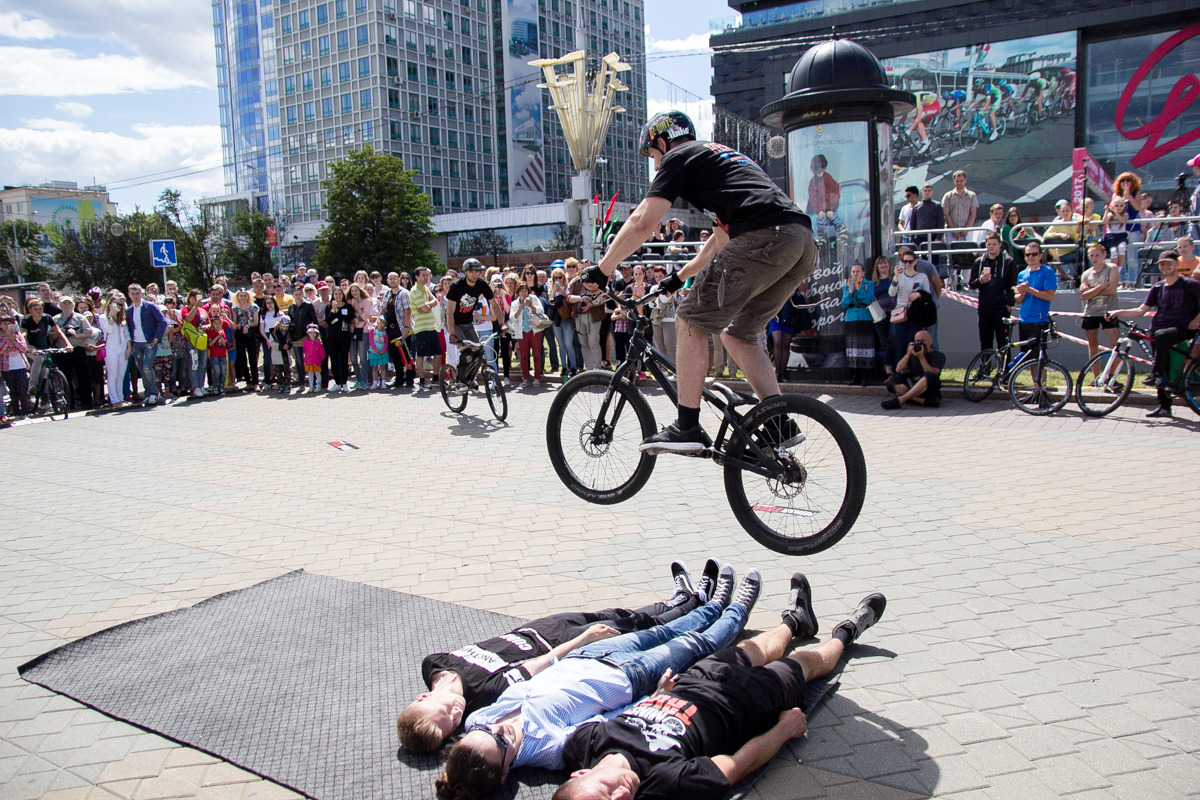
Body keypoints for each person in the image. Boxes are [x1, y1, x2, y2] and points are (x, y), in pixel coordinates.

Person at [583, 110, 814, 456]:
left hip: (766, 237)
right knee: (738, 334)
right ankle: (779, 422)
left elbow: (643, 221)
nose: (655, 165)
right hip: (801, 242)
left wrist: (602, 270)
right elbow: (719, 240)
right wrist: (678, 278)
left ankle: (687, 426)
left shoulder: (679, 156)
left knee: (690, 319)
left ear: (662, 142)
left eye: (652, 155)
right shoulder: (720, 159)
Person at [434, 568, 760, 800]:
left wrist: (579, 642)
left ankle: (711, 605)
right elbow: (608, 724)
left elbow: (525, 674)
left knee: (661, 632)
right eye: (501, 744)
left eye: (486, 732)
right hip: (627, 678)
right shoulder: (549, 749)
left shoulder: (477, 720)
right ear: (506, 773)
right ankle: (735, 611)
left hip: (588, 656)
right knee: (692, 645)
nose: (497, 729)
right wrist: (655, 697)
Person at [554, 581, 887, 800]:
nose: (621, 796)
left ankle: (794, 622)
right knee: (803, 665)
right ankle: (847, 631)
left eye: (605, 792)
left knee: (754, 648)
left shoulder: (583, 745)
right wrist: (784, 730)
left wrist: (656, 696)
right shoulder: (665, 783)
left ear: (581, 773)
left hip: (694, 681)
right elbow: (739, 764)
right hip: (743, 706)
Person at [398, 561, 719, 753]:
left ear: (423, 696)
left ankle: (676, 600)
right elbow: (536, 666)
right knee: (628, 630)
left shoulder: (434, 663)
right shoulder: (482, 695)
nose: (457, 715)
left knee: (614, 614)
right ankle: (698, 605)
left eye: (446, 713)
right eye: (454, 724)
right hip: (559, 645)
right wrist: (583, 639)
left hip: (533, 630)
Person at [1107, 250, 1200, 418]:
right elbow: (1141, 310)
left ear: (1177, 264)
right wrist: (1117, 311)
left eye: (1169, 263)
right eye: (1162, 264)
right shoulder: (1158, 287)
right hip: (1159, 330)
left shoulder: (1189, 284)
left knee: (1161, 341)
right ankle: (1164, 406)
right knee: (1160, 360)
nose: (1165, 267)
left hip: (1182, 328)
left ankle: (1155, 374)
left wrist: (1197, 319)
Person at [1013, 241, 1058, 381]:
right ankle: (1036, 387)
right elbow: (1018, 299)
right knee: (1028, 358)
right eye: (1028, 254)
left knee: (1039, 359)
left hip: (1039, 322)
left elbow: (1049, 296)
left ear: (1040, 255)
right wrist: (1022, 293)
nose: (1030, 257)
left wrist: (1028, 290)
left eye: (1034, 254)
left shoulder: (1048, 272)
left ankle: (1042, 389)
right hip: (1024, 320)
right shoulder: (1022, 273)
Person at [967, 232, 1019, 352]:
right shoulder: (979, 262)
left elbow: (1012, 284)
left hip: (1001, 306)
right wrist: (980, 281)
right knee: (985, 342)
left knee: (1003, 342)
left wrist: (1009, 304)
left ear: (1000, 244)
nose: (991, 247)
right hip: (984, 306)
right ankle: (985, 368)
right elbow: (971, 284)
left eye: (994, 244)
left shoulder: (1008, 262)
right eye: (989, 244)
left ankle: (1005, 370)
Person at [1078, 242, 1121, 382]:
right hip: (1091, 312)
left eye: (1097, 255)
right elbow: (1083, 296)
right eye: (1092, 255)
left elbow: (1112, 290)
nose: (1094, 258)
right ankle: (1096, 377)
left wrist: (1091, 291)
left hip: (1109, 311)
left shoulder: (1111, 268)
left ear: (1104, 255)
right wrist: (1101, 286)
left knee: (1115, 345)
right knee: (1092, 345)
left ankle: (1110, 377)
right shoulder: (1086, 274)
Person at [880, 330, 944, 410]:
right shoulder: (913, 353)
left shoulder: (938, 355)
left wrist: (922, 357)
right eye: (917, 341)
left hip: (928, 387)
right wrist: (908, 354)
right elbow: (898, 369)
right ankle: (922, 401)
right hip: (912, 384)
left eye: (923, 341)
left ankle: (901, 400)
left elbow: (934, 372)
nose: (920, 343)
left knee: (929, 375)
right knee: (892, 382)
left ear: (930, 341)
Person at [446, 259, 501, 347]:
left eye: (477, 271)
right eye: (471, 271)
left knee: (477, 350)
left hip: (468, 323)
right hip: (455, 323)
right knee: (466, 351)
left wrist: (502, 324)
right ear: (465, 272)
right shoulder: (456, 286)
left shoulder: (481, 284)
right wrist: (452, 333)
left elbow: (494, 304)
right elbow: (449, 312)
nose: (474, 274)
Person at [887, 251, 933, 354]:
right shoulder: (900, 276)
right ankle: (900, 367)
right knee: (901, 343)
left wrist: (919, 294)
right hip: (901, 312)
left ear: (915, 262)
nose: (907, 264)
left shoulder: (922, 277)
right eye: (904, 261)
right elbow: (891, 293)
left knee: (915, 341)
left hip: (916, 313)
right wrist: (896, 277)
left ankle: (915, 366)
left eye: (910, 262)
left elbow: (928, 296)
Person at [840, 263, 875, 385]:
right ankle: (854, 376)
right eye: (853, 272)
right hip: (851, 319)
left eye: (858, 271)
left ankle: (865, 377)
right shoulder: (847, 286)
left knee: (865, 347)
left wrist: (859, 289)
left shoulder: (868, 284)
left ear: (863, 273)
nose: (855, 274)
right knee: (853, 349)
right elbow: (844, 304)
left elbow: (868, 300)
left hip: (864, 318)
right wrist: (850, 292)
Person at [96, 294, 132, 406]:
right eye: (115, 303)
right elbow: (108, 330)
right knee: (113, 375)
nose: (118, 306)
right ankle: (114, 399)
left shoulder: (122, 318)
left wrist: (129, 348)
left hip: (122, 349)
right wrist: (110, 317)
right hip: (111, 349)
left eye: (120, 304)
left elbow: (126, 335)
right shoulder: (103, 317)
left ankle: (120, 398)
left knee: (121, 375)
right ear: (110, 303)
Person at [942, 170, 978, 278]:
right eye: (957, 181)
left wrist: (967, 228)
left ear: (965, 180)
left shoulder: (972, 195)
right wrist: (953, 229)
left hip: (967, 230)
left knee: (968, 255)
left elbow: (973, 213)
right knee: (951, 256)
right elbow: (946, 213)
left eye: (961, 180)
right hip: (951, 231)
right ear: (954, 181)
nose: (959, 183)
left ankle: (965, 281)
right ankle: (953, 281)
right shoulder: (948, 196)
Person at [409, 267, 441, 386]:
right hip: (421, 328)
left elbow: (434, 301)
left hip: (431, 327)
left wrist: (426, 305)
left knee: (438, 353)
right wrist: (426, 306)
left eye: (427, 275)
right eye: (423, 275)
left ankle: (435, 378)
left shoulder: (426, 289)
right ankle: (422, 379)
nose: (426, 277)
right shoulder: (414, 291)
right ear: (417, 277)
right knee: (421, 355)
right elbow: (425, 308)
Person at [509, 283, 545, 386]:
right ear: (518, 292)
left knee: (537, 354)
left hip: (534, 330)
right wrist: (519, 310)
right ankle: (525, 378)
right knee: (523, 355)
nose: (524, 293)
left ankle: (537, 377)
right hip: (522, 331)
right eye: (521, 291)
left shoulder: (533, 299)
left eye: (525, 291)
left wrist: (531, 306)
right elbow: (512, 318)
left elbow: (541, 310)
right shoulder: (515, 303)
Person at [0, 310, 32, 420]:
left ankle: (25, 413)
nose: (7, 326)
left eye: (10, 323)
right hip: (6, 367)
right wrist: (7, 340)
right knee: (12, 391)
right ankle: (16, 413)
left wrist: (15, 340)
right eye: (5, 323)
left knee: (22, 390)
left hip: (20, 366)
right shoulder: (1, 337)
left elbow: (24, 349)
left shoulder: (18, 335)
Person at [324, 286, 356, 393]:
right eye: (336, 294)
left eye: (340, 294)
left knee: (343, 359)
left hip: (344, 336)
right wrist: (334, 311)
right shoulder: (329, 307)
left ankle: (344, 382)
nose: (338, 296)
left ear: (343, 295)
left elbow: (347, 319)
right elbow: (328, 320)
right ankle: (337, 382)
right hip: (332, 337)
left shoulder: (347, 306)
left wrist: (337, 315)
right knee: (334, 359)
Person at [871, 256, 897, 375]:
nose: (883, 266)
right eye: (880, 264)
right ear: (877, 267)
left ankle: (891, 365)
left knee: (893, 338)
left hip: (895, 313)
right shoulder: (874, 283)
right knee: (884, 342)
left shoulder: (894, 279)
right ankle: (889, 368)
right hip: (880, 315)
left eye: (885, 263)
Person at [366, 316, 391, 389]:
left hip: (382, 353)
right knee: (374, 368)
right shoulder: (372, 330)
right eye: (380, 321)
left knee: (383, 368)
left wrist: (383, 350)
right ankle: (374, 382)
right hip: (374, 352)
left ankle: (383, 382)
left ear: (384, 325)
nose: (381, 323)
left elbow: (386, 342)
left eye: (383, 322)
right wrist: (374, 349)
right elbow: (370, 340)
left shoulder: (384, 332)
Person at [301, 324, 326, 392]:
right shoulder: (306, 342)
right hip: (309, 361)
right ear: (308, 333)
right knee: (310, 374)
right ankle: (311, 386)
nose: (312, 334)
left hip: (316, 361)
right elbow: (305, 351)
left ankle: (318, 386)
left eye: (314, 333)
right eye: (311, 333)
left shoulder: (318, 342)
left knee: (317, 373)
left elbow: (322, 353)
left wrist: (320, 359)